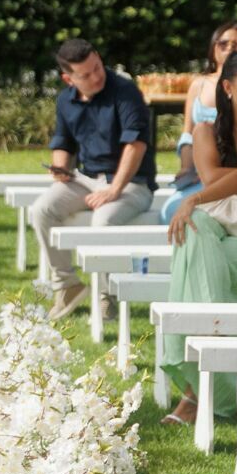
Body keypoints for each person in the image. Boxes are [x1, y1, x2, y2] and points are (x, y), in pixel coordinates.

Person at [30, 39, 156, 323]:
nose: (96, 76)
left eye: (97, 67)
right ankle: (67, 285)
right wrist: (60, 168)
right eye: (85, 74)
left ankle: (107, 295)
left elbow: (135, 145)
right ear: (68, 78)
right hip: (85, 179)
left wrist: (115, 189)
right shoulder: (65, 100)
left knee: (103, 221)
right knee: (41, 210)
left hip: (133, 184)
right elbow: (63, 142)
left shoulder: (125, 92)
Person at [163, 49, 237, 424]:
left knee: (193, 242)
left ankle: (196, 393)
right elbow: (213, 180)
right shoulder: (205, 130)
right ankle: (212, 377)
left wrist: (192, 198)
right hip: (219, 226)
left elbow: (215, 183)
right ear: (227, 86)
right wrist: (198, 198)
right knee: (192, 234)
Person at [160, 20, 237, 225]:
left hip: (218, 176)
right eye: (224, 43)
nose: (230, 48)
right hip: (204, 164)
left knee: (195, 216)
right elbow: (188, 133)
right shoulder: (200, 84)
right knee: (179, 212)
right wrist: (187, 167)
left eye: (235, 44)